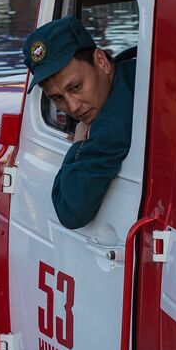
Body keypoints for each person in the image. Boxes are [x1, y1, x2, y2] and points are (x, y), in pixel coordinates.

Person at [22, 15, 135, 229]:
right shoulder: (132, 70)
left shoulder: (112, 125)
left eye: (76, 87)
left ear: (101, 61)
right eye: (58, 98)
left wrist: (79, 144)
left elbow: (70, 212)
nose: (73, 107)